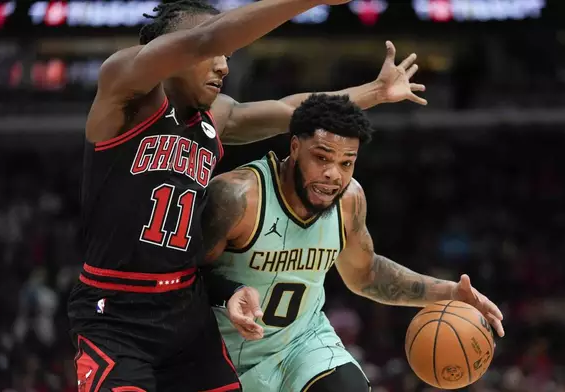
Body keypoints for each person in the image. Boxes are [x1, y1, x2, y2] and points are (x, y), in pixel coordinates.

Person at [68, 1, 364, 391]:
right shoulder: (123, 86)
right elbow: (208, 36)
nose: (224, 67)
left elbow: (296, 110)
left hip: (185, 311)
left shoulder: (214, 116)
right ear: (173, 49)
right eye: (215, 56)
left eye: (227, 57)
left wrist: (377, 91)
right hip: (116, 314)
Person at [202, 94, 505, 392]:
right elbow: (178, 277)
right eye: (321, 158)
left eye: (347, 163)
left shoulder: (348, 200)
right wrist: (228, 292)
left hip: (301, 345)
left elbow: (366, 274)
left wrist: (449, 292)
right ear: (295, 147)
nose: (333, 174)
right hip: (221, 354)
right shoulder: (237, 197)